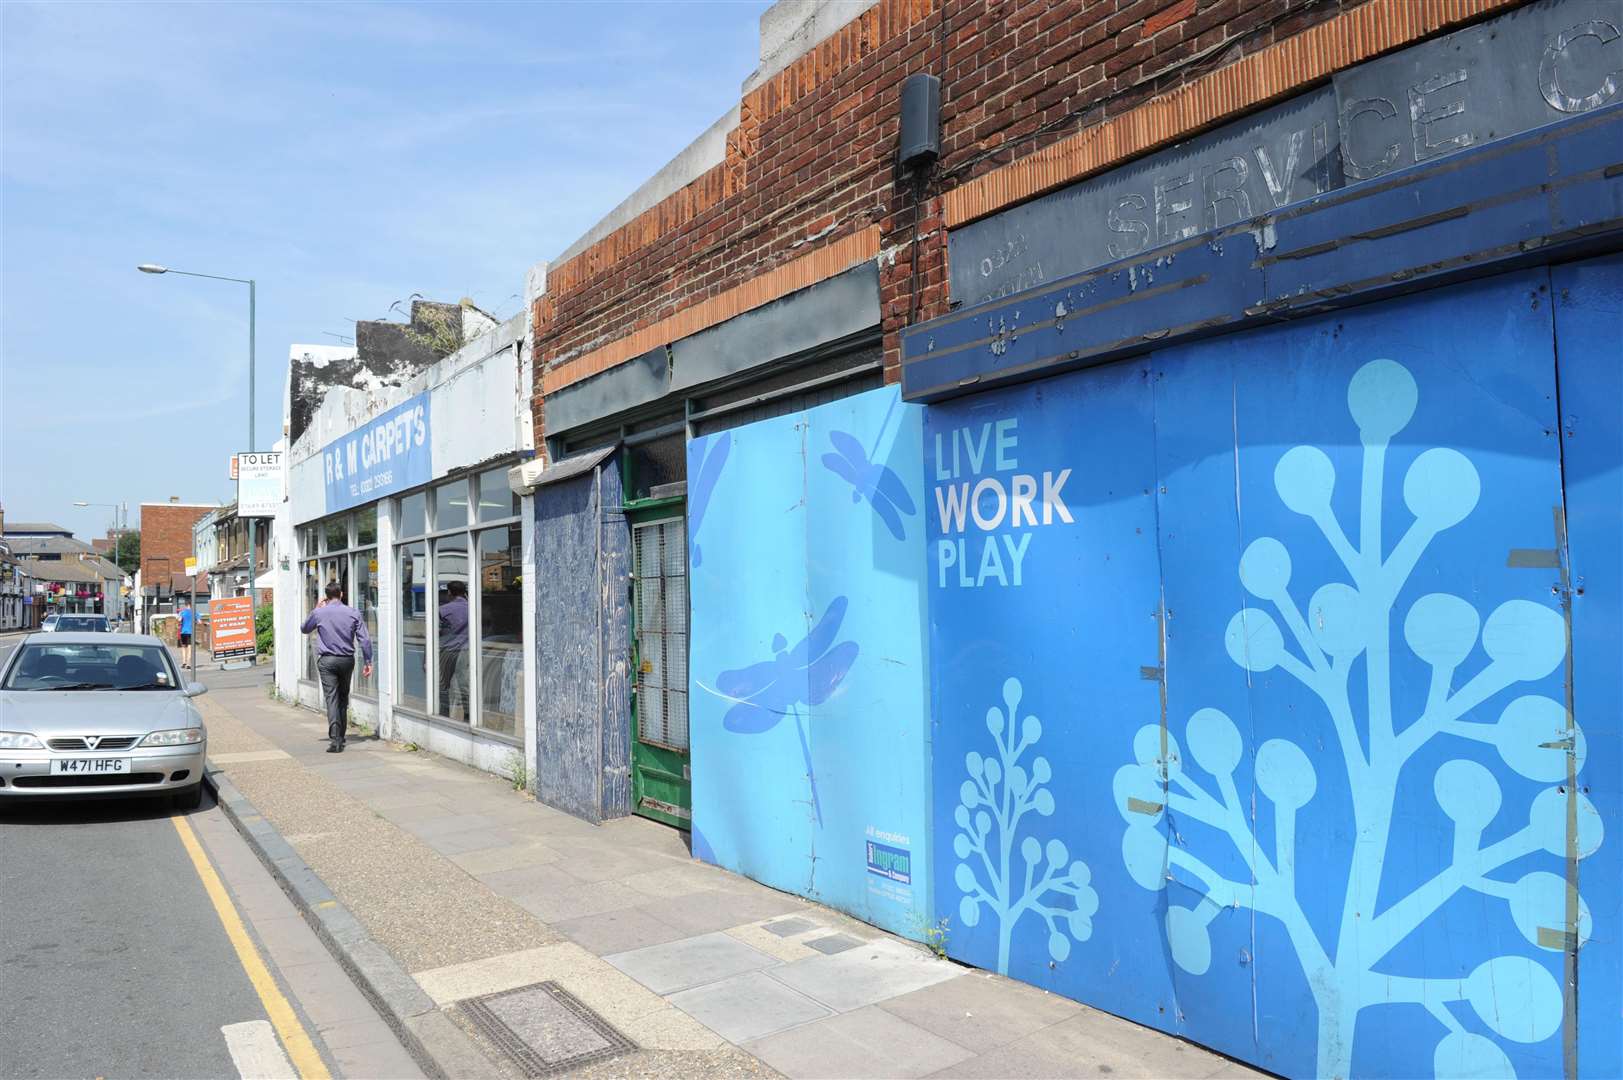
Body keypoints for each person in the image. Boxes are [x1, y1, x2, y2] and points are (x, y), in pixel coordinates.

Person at [301, 582, 373, 753]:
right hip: (347, 660)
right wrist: (369, 661)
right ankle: (341, 734)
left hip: (327, 661)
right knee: (342, 697)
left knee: (331, 698)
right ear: (341, 594)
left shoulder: (319, 612)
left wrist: (315, 609)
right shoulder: (353, 612)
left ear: (326, 596)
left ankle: (336, 739)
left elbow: (304, 629)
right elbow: (365, 639)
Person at [438, 579, 470, 720]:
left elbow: (434, 633)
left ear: (450, 593)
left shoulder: (443, 610)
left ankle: (443, 715)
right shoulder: (473, 608)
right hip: (467, 650)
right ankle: (469, 714)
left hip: (448, 651)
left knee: (443, 684)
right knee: (464, 684)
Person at [177, 600, 195, 667]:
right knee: (190, 647)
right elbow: (199, 622)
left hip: (183, 632)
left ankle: (183, 662)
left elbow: (179, 620)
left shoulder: (182, 612)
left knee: (184, 647)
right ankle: (188, 664)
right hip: (191, 632)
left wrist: (180, 616)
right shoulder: (194, 612)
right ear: (191, 605)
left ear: (186, 605)